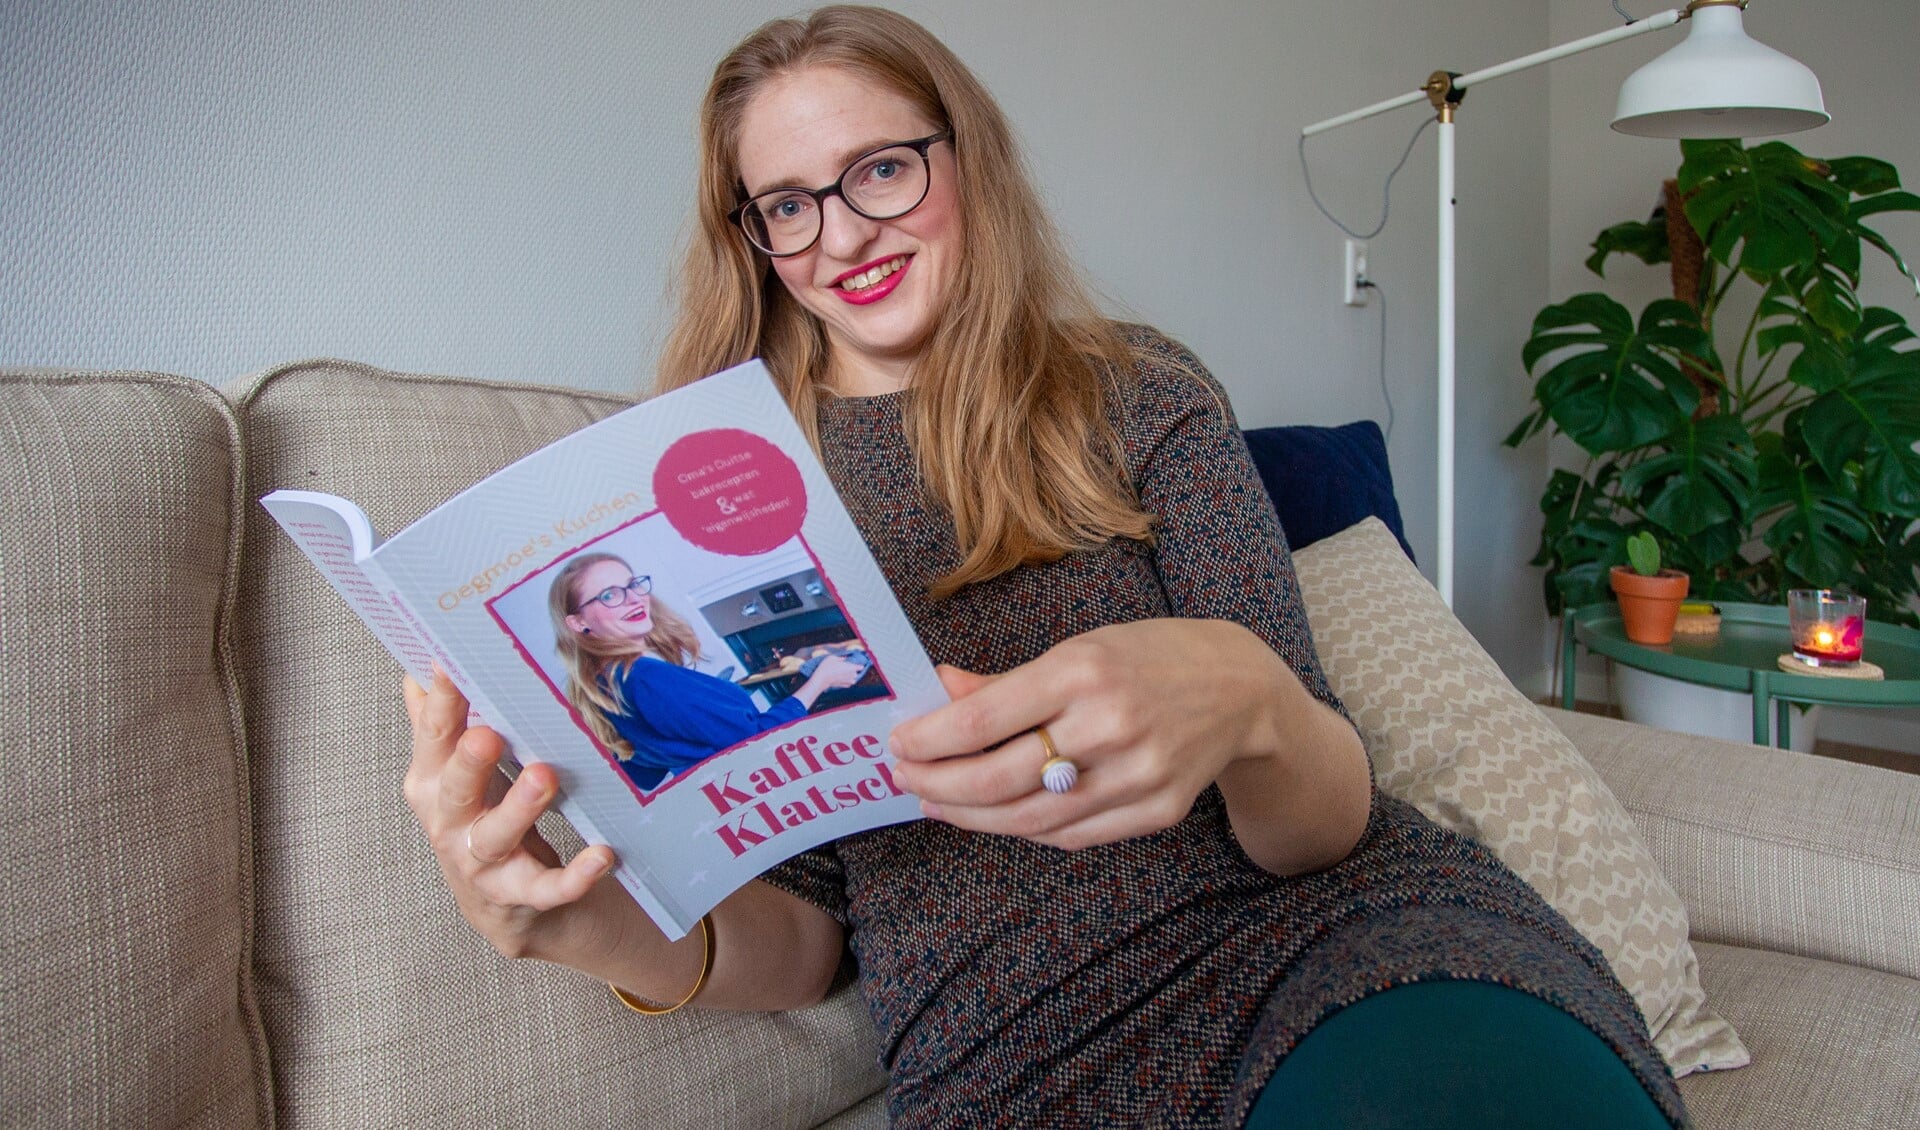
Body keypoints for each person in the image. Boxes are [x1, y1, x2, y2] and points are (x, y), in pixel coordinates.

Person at [400, 7, 1687, 1126]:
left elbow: (1324, 818)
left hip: (1346, 946)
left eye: (883, 171)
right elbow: (800, 947)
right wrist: (577, 924)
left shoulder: (1137, 391)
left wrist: (1248, 699)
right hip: (1015, 1059)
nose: (843, 234)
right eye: (789, 203)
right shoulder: (715, 500)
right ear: (751, 236)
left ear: (968, 159)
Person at [548, 551, 866, 790]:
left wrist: (704, 711)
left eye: (632, 584)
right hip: (761, 785)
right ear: (578, 623)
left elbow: (644, 775)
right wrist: (821, 680)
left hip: (719, 795)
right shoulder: (648, 678)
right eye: (609, 595)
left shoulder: (600, 685)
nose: (633, 598)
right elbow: (757, 744)